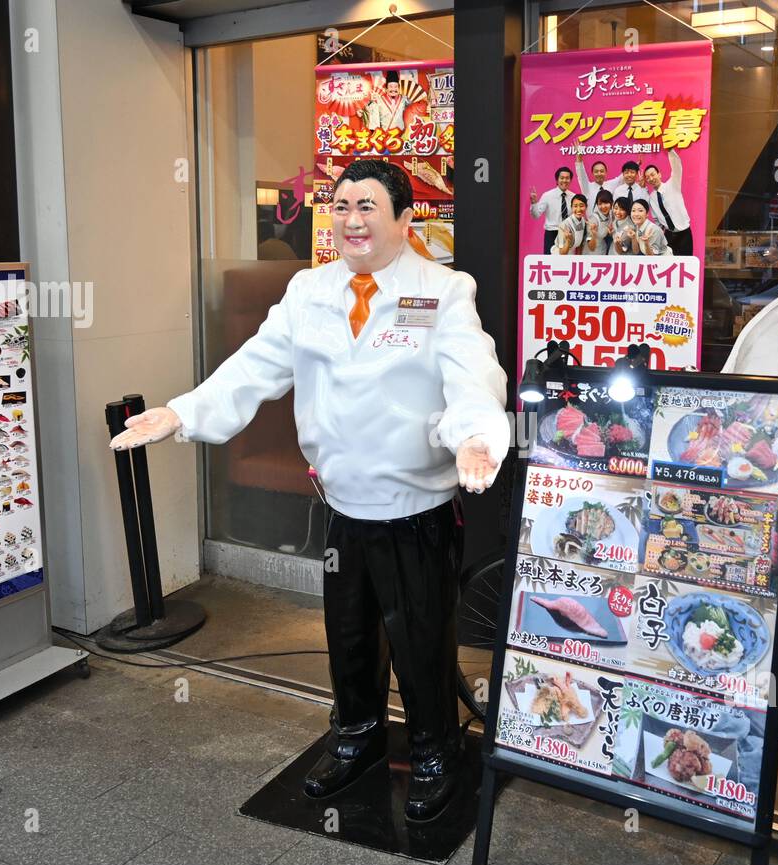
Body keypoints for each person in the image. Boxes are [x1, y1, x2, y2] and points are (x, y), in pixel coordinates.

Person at [108, 160, 509, 822]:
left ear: (405, 220)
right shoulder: (309, 291)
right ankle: (356, 737)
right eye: (343, 205)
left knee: (418, 638)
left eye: (368, 207)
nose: (352, 219)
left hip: (416, 510)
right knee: (348, 636)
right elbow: (254, 368)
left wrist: (476, 436)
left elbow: (474, 374)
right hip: (343, 506)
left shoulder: (442, 290)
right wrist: (182, 412)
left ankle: (437, 751)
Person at [644, 149, 693, 256]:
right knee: (669, 265)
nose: (651, 178)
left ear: (659, 174)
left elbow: (677, 167)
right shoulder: (651, 198)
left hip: (684, 232)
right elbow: (657, 220)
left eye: (653, 174)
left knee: (685, 264)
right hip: (669, 235)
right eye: (648, 177)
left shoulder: (672, 184)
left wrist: (670, 150)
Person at [530, 167, 576, 254]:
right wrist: (534, 203)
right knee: (550, 262)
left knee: (567, 262)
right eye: (562, 178)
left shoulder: (574, 197)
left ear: (570, 180)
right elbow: (536, 215)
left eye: (567, 178)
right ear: (557, 180)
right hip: (552, 233)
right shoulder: (547, 195)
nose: (565, 180)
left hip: (568, 233)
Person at [585, 189, 615, 255]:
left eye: (606, 203)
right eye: (600, 204)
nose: (603, 206)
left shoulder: (611, 215)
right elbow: (591, 247)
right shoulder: (593, 219)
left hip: (603, 250)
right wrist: (594, 234)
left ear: (611, 203)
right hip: (591, 253)